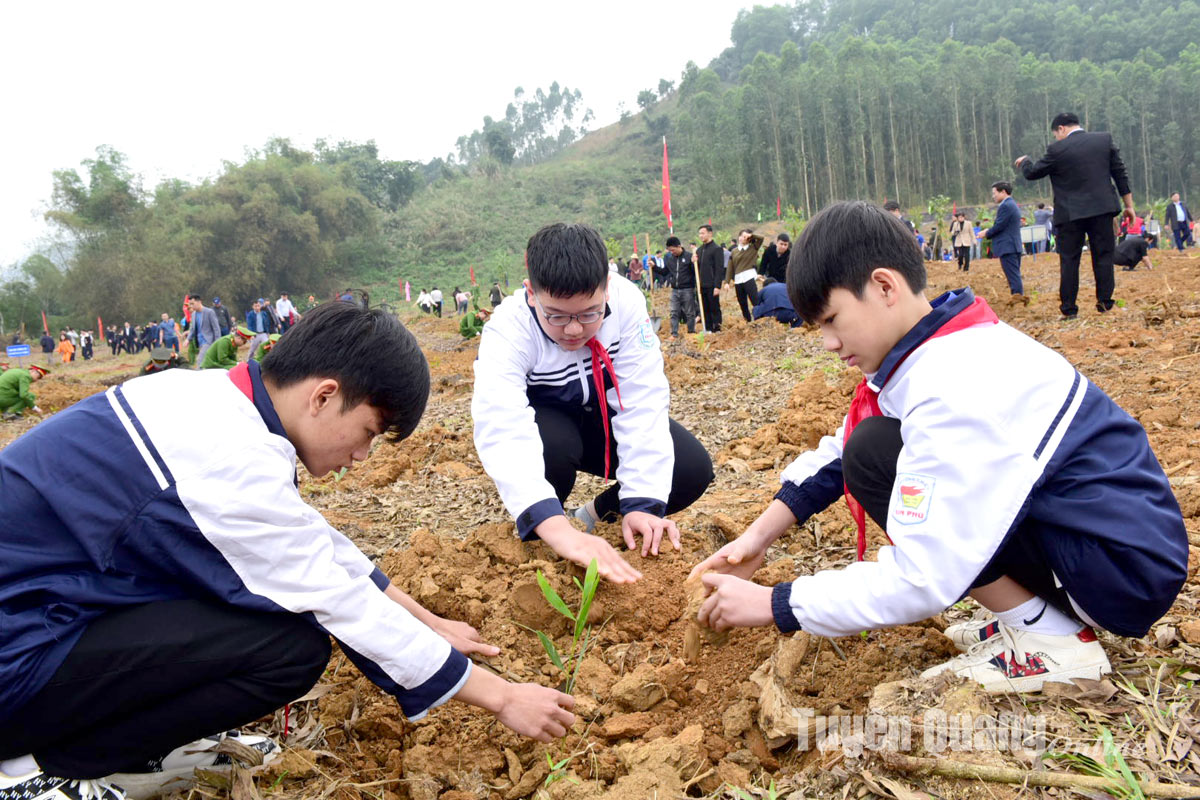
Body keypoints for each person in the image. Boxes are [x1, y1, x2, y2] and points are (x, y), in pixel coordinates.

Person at [0, 302, 575, 800]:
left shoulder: (209, 399)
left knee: (260, 606)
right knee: (286, 648)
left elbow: (308, 540)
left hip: (50, 610)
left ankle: (123, 751)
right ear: (326, 395)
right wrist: (501, 697)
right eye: (371, 432)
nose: (363, 457)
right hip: (19, 654)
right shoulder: (230, 456)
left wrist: (425, 619)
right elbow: (332, 597)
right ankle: (40, 769)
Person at [689, 200, 1187, 693]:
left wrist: (776, 604)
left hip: (1116, 568)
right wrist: (757, 538)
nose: (828, 343)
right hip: (1097, 539)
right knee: (871, 450)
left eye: (831, 320)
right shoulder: (941, 344)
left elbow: (924, 577)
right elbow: (841, 448)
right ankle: (1032, 617)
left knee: (875, 458)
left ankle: (1052, 640)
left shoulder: (952, 382)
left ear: (884, 286)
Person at [472, 222, 714, 584]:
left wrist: (643, 503)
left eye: (589, 314)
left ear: (607, 288)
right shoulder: (508, 330)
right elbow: (503, 425)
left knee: (690, 469)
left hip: (600, 415)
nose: (573, 329)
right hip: (548, 426)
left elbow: (641, 399)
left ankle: (594, 515)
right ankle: (545, 535)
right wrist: (556, 528)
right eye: (556, 315)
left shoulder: (627, 302)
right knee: (551, 447)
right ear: (531, 293)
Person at [1016, 112, 1134, 319]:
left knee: (1070, 261)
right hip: (1102, 209)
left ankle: (1069, 309)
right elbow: (1119, 173)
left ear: (1061, 129)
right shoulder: (1103, 140)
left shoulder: (1057, 149)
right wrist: (1129, 206)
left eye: (1056, 134)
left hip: (1070, 214)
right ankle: (1105, 304)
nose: (1056, 138)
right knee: (1103, 257)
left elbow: (1033, 173)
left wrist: (1025, 161)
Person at [984, 182, 1027, 304]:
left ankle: (1018, 299)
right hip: (1012, 245)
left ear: (1003, 192)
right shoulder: (1011, 204)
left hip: (1008, 247)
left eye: (994, 193)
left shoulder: (1006, 206)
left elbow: (999, 226)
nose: (993, 196)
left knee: (1013, 275)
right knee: (1014, 274)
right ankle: (1017, 297)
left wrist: (986, 233)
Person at [663, 236, 698, 337]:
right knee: (674, 312)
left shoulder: (689, 256)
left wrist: (693, 263)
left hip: (687, 289)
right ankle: (674, 333)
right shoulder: (670, 259)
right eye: (670, 251)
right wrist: (654, 267)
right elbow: (665, 271)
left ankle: (691, 331)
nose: (671, 252)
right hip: (675, 290)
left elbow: (694, 271)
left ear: (679, 246)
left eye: (673, 250)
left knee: (690, 312)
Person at [727, 229, 764, 322]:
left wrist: (751, 236)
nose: (742, 238)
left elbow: (761, 239)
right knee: (742, 303)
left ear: (748, 239)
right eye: (741, 236)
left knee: (755, 300)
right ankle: (747, 321)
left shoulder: (753, 248)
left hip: (749, 277)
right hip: (738, 279)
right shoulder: (734, 251)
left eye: (745, 237)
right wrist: (727, 281)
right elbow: (730, 267)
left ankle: (760, 319)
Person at [696, 225, 724, 332]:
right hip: (701, 284)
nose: (701, 236)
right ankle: (707, 328)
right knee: (704, 308)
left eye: (703, 233)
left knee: (714, 307)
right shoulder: (699, 250)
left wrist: (717, 286)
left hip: (712, 284)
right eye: (700, 233)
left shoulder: (716, 249)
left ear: (710, 233)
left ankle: (717, 328)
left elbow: (719, 269)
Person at [184, 296, 222, 367]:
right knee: (207, 362)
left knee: (199, 361)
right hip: (199, 343)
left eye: (192, 303)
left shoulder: (209, 312)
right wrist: (188, 339)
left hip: (208, 341)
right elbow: (193, 329)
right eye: (190, 304)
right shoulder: (194, 314)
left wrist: (217, 344)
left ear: (199, 302)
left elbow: (216, 329)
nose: (191, 306)